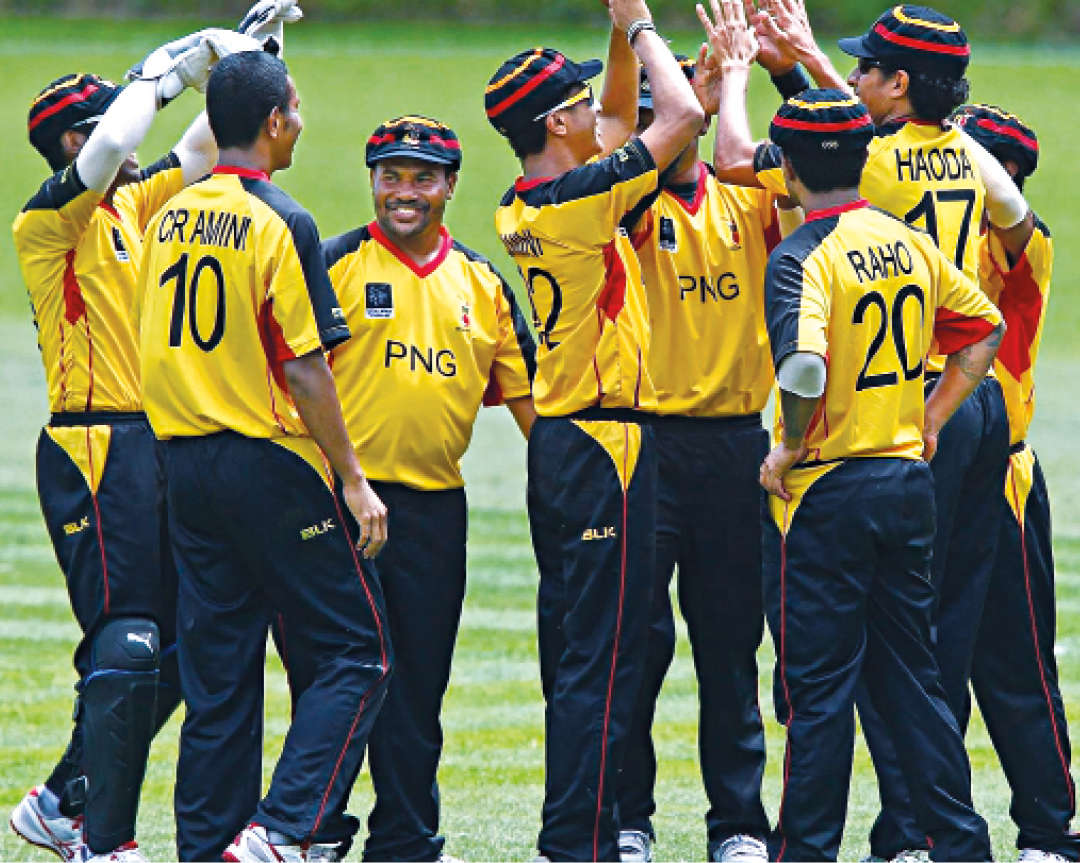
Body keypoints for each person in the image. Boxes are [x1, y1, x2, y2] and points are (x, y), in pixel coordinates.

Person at [136, 50, 391, 863]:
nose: (302, 121)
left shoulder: (167, 215)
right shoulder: (282, 219)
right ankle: (282, 830)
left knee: (218, 678)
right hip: (265, 465)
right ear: (275, 121)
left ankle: (209, 850)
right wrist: (353, 478)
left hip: (183, 467)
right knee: (360, 649)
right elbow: (306, 367)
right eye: (297, 108)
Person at [8, 26, 250, 863]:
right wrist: (162, 74)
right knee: (131, 637)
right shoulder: (47, 222)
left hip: (156, 442)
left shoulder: (132, 205)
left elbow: (205, 148)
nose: (134, 134)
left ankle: (63, 798)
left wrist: (248, 59)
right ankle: (102, 840)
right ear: (71, 142)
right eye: (109, 119)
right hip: (93, 446)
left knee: (185, 636)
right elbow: (119, 138)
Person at [757, 89, 1002, 862]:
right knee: (915, 679)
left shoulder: (801, 256)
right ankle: (961, 843)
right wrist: (931, 418)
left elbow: (803, 366)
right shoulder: (907, 242)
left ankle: (806, 852)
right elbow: (983, 328)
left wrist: (790, 445)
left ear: (787, 168)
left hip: (828, 493)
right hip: (904, 485)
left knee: (818, 691)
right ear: (864, 158)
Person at [487, 0, 704, 857]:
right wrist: (645, 25)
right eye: (575, 103)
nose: (595, 112)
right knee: (606, 652)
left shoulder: (529, 198)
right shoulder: (582, 199)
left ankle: (584, 826)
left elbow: (616, 113)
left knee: (581, 641)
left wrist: (617, 29)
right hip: (604, 443)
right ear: (554, 123)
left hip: (566, 441)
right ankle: (578, 838)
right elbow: (679, 115)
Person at [317, 115, 536, 862]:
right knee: (338, 676)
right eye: (390, 176)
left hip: (436, 511)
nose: (403, 192)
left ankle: (406, 840)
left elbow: (534, 410)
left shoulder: (482, 283)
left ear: (450, 186)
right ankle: (315, 829)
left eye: (422, 178)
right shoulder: (332, 265)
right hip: (341, 503)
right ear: (372, 181)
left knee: (418, 682)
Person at [868, 103, 1078, 863]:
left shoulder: (1026, 247)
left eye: (962, 154)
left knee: (1016, 660)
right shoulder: (934, 240)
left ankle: (1051, 828)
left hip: (1005, 477)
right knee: (935, 654)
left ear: (1000, 172)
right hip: (943, 456)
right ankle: (920, 827)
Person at [615, 55, 792, 863]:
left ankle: (739, 824)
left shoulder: (748, 198)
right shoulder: (624, 202)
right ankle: (629, 817)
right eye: (651, 113)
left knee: (729, 645)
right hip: (647, 443)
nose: (662, 125)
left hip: (734, 445)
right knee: (637, 643)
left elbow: (787, 166)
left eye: (675, 109)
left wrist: (746, 80)